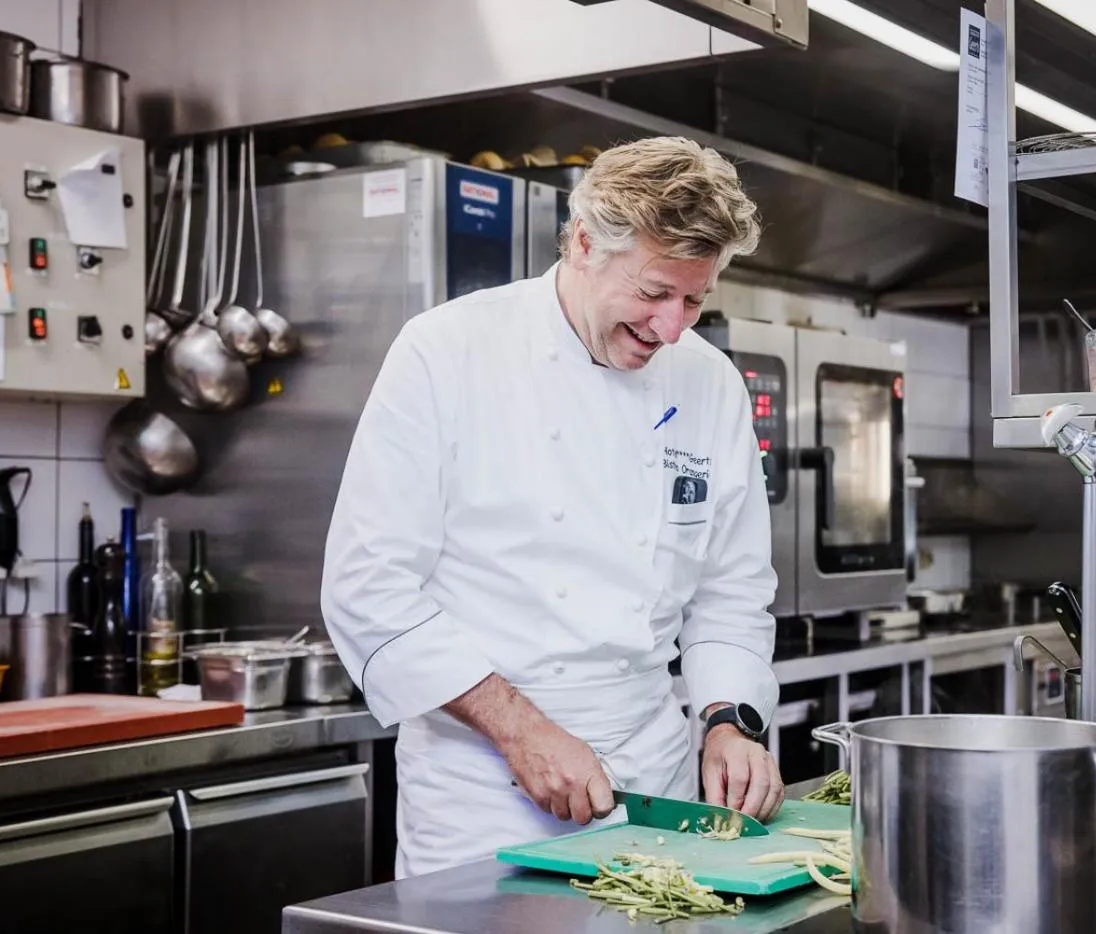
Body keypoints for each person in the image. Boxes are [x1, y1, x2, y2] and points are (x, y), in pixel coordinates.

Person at [321, 135, 784, 879]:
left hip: (653, 775)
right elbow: (367, 588)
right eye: (654, 292)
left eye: (695, 300)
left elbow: (730, 590)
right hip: (484, 793)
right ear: (581, 243)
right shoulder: (448, 351)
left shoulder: (709, 382)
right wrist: (521, 730)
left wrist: (727, 722)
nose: (672, 328)